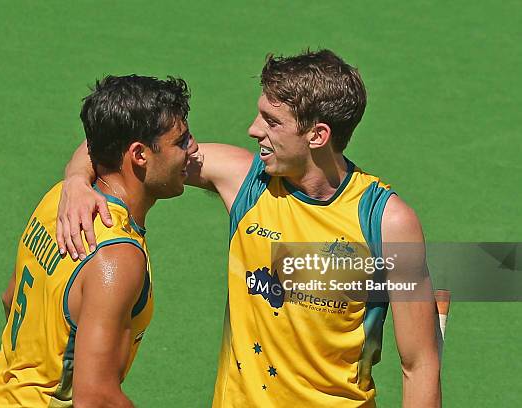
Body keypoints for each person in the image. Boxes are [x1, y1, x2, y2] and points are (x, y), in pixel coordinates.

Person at [58, 50, 441, 407]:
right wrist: (76, 180)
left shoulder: (386, 222)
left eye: (272, 122)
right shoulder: (245, 181)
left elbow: (419, 364)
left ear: (317, 135)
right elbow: (120, 142)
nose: (253, 129)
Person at [0, 74, 197, 408]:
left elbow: (10, 298)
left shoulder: (60, 200)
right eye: (181, 141)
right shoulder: (117, 257)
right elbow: (95, 399)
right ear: (138, 154)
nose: (193, 149)